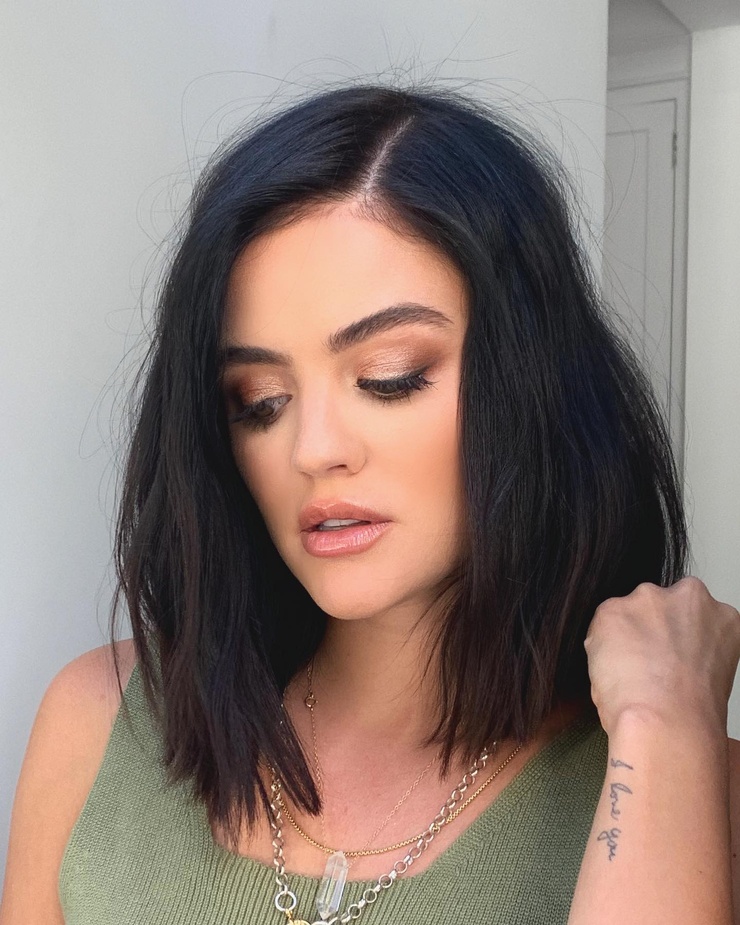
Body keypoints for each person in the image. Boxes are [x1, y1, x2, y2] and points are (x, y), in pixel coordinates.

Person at [2, 81, 739, 925]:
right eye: (259, 401)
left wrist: (663, 720)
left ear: (531, 383)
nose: (312, 449)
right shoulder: (103, 725)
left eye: (389, 378)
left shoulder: (680, 787)